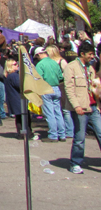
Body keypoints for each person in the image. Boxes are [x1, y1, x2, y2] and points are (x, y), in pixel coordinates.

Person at [64, 41, 101, 174]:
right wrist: (76, 106)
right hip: (81, 108)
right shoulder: (71, 67)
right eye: (90, 54)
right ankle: (75, 163)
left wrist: (98, 104)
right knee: (80, 138)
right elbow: (69, 89)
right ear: (82, 54)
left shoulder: (90, 68)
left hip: (93, 107)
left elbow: (94, 88)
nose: (92, 56)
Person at [34, 46, 65, 142]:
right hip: (56, 88)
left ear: (39, 54)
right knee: (58, 112)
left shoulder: (40, 64)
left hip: (46, 89)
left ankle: (53, 135)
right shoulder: (55, 63)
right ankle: (62, 134)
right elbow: (61, 76)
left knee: (49, 113)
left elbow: (38, 78)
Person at [3, 58, 38, 140]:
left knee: (19, 118)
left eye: (17, 64)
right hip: (18, 99)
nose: (17, 65)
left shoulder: (9, 75)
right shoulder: (13, 76)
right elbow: (21, 86)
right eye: (15, 64)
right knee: (24, 117)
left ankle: (22, 133)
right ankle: (27, 134)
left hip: (14, 98)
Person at [46, 44, 73, 139]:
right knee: (58, 109)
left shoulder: (62, 61)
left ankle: (69, 130)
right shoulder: (49, 62)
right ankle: (60, 130)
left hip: (62, 85)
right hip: (55, 86)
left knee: (65, 109)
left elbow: (67, 74)